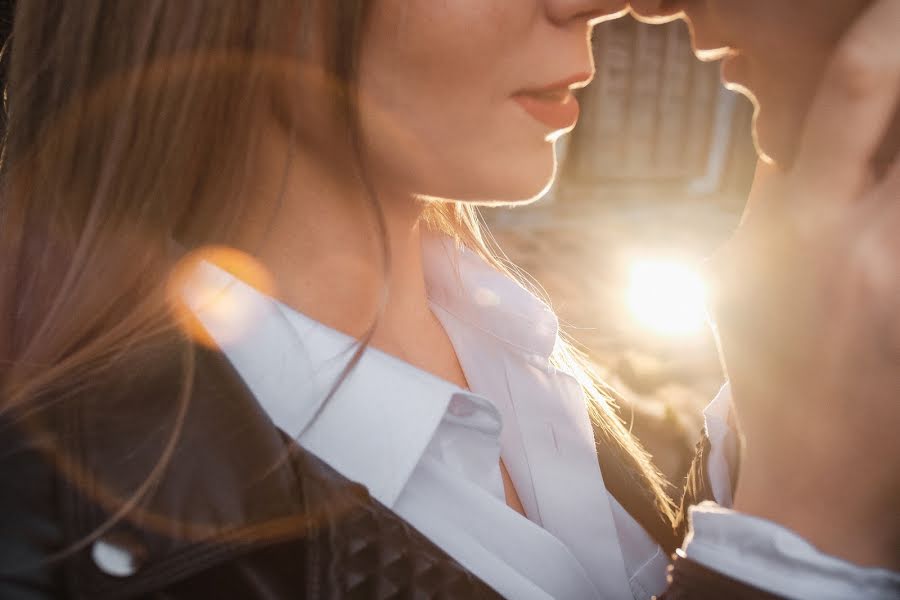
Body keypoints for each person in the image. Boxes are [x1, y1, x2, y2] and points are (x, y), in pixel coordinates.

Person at [0, 2, 896, 600]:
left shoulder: (515, 348)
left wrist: (793, 433)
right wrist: (799, 540)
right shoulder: (50, 533)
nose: (593, 4)